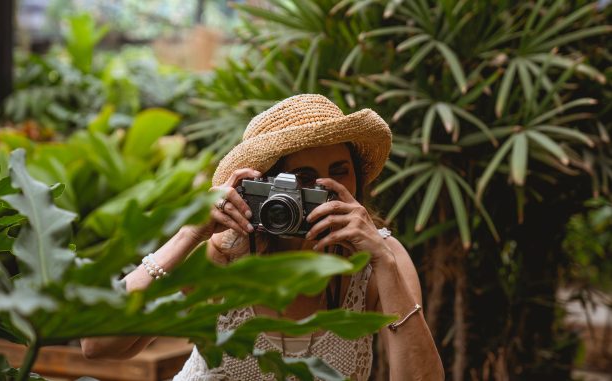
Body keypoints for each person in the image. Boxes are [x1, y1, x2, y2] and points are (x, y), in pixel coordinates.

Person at [81, 94, 444, 380]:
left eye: (339, 172)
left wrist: (382, 260)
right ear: (265, 187)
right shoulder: (221, 254)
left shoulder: (382, 258)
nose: (323, 190)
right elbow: (97, 343)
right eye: (302, 179)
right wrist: (189, 234)